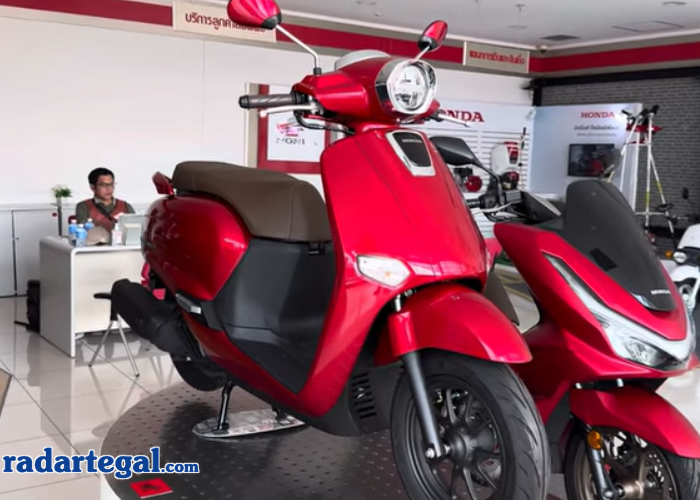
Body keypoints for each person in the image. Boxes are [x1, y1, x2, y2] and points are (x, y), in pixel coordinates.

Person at [75, 167, 135, 231]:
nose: (109, 188)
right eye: (103, 185)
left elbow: (136, 228)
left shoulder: (125, 206)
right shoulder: (83, 206)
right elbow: (84, 231)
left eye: (111, 184)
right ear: (92, 187)